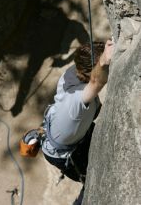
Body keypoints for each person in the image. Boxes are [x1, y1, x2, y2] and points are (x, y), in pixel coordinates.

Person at [20, 39, 114, 204]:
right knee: (93, 179)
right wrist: (105, 61)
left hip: (70, 131)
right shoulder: (76, 101)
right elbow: (97, 81)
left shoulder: (73, 71)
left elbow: (93, 77)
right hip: (66, 154)